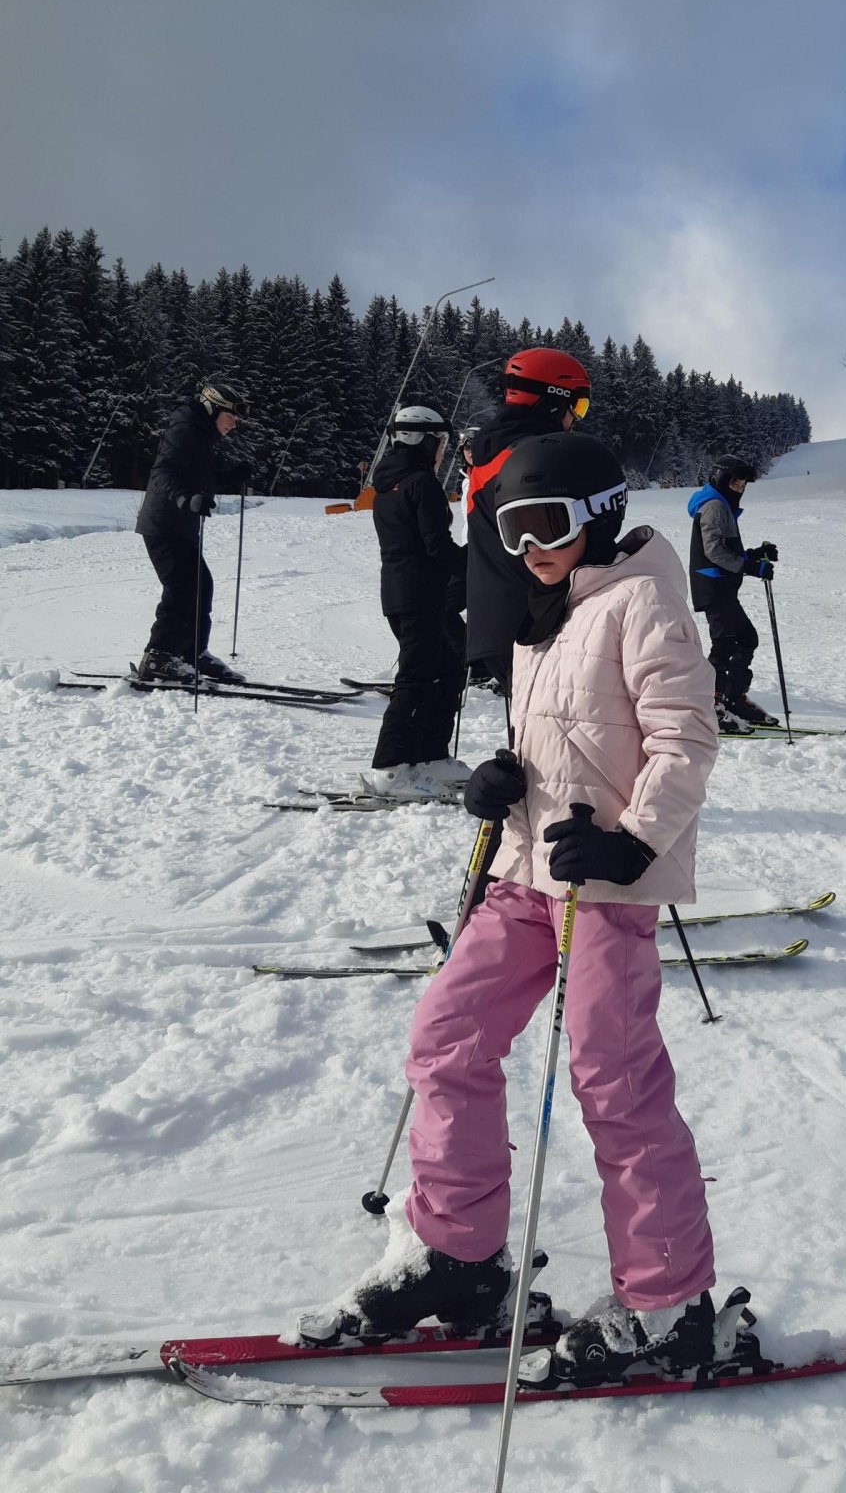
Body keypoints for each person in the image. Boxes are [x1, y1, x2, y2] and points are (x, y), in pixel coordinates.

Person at [303, 431, 722, 1382]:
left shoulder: (645, 601)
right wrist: (505, 780)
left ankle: (668, 1308)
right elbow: (562, 735)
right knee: (446, 1036)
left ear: (600, 514)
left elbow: (685, 740)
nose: (530, 547)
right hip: (525, 872)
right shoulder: (551, 608)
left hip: (604, 885)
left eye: (546, 525)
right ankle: (458, 1256)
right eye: (511, 530)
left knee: (612, 1080)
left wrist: (634, 840)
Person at [464, 347, 590, 696]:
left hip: (499, 622)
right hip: (536, 622)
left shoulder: (492, 451)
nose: (576, 418)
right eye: (578, 405)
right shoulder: (534, 458)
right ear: (553, 401)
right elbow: (559, 539)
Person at [360, 403, 469, 797]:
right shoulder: (421, 483)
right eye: (439, 442)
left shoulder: (388, 484)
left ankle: (429, 756)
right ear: (421, 440)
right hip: (420, 595)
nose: (442, 451)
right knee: (417, 679)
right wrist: (476, 562)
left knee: (448, 668)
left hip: (402, 593)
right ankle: (390, 768)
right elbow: (436, 546)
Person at [134, 379, 250, 684]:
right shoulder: (185, 430)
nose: (233, 425)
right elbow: (162, 472)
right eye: (230, 417)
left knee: (201, 586)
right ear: (212, 409)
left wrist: (232, 477)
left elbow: (201, 478)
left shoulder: (200, 436)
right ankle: (158, 657)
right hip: (163, 523)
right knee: (182, 587)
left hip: (179, 525)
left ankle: (190, 653)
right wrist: (185, 498)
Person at [686, 454, 780, 732]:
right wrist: (750, 566)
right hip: (713, 585)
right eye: (735, 483)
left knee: (745, 638)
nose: (739, 488)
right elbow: (714, 550)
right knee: (725, 643)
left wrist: (755, 555)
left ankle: (733, 697)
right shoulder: (714, 506)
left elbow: (726, 550)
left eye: (742, 485)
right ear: (721, 479)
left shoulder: (722, 505)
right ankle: (711, 704)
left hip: (722, 587)